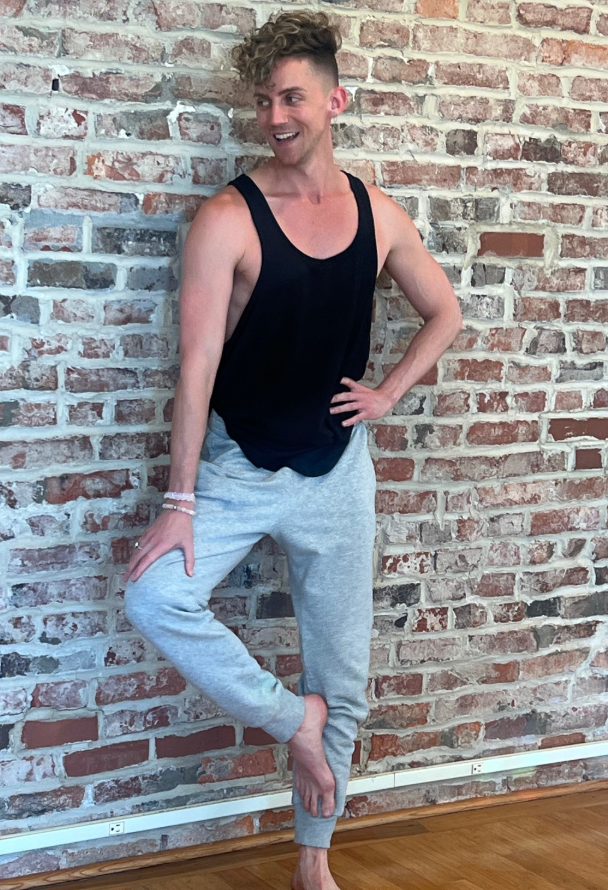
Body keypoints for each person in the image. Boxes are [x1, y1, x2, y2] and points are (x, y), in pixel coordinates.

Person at [122, 10, 463, 890]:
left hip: (337, 472)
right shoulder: (227, 219)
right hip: (238, 466)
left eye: (292, 96)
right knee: (157, 596)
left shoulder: (378, 215)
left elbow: (446, 311)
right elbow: (195, 366)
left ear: (334, 99)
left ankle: (314, 861)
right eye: (264, 99)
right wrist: (181, 501)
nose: (275, 115)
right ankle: (293, 721)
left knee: (342, 674)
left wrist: (388, 391)